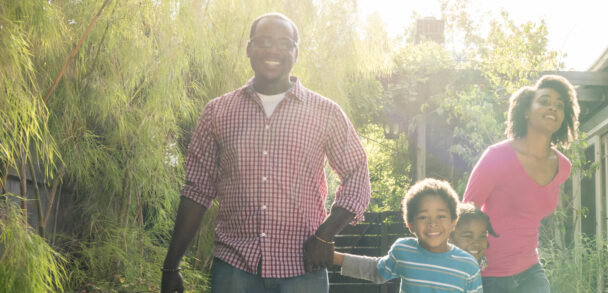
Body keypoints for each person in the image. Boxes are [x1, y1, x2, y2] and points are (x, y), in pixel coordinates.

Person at [160, 12, 371, 293]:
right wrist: (171, 265)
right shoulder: (217, 112)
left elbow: (357, 173)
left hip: (302, 270)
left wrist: (325, 235)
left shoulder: (326, 113)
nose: (273, 49)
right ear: (249, 48)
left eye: (284, 43)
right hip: (234, 269)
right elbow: (197, 190)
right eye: (264, 41)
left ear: (296, 52)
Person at [462, 75, 580, 293]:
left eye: (559, 105)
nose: (552, 108)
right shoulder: (497, 156)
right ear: (526, 111)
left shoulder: (563, 167)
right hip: (490, 273)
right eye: (544, 101)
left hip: (530, 270)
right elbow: (466, 211)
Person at [333, 179, 483, 292]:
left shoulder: (468, 265)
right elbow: (376, 270)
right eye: (423, 217)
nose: (433, 223)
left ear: (454, 222)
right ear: (410, 224)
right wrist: (335, 258)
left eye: (441, 216)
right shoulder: (404, 250)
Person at [334, 202, 498, 283]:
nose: (477, 243)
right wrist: (335, 258)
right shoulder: (420, 259)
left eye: (482, 236)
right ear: (448, 236)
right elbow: (377, 269)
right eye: (468, 236)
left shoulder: (489, 272)